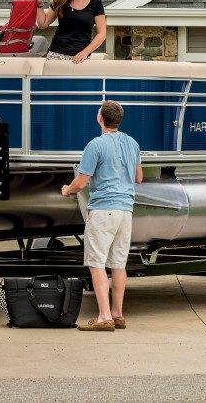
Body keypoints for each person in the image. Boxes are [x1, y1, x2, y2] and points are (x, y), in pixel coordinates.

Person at [60, 101, 142, 331]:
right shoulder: (132, 143)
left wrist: (68, 189)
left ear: (100, 119)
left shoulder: (95, 145)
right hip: (125, 210)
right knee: (118, 264)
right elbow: (139, 177)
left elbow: (82, 182)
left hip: (103, 210)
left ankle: (104, 316)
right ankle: (118, 314)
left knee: (96, 264)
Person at [30, 0, 106, 63]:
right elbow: (42, 24)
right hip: (56, 54)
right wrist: (39, 4)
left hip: (81, 58)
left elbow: (102, 34)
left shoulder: (96, 3)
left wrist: (85, 52)